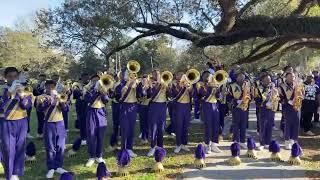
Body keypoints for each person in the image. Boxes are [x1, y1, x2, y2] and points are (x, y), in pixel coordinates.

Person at [0, 67, 33, 180]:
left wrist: (22, 95)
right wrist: (10, 93)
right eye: (10, 76)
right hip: (7, 122)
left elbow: (27, 106)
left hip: (22, 121)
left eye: (15, 76)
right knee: (8, 149)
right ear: (5, 77)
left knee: (20, 147)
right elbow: (1, 106)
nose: (13, 79)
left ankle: (15, 172)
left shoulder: (24, 89)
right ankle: (9, 175)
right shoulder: (1, 89)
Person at [37, 80, 69, 178]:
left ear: (55, 87)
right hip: (49, 123)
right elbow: (40, 109)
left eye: (52, 86)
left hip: (60, 123)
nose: (50, 88)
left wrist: (61, 101)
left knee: (60, 146)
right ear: (45, 87)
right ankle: (51, 167)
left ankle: (58, 166)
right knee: (50, 147)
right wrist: (52, 99)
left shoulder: (60, 96)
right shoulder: (41, 97)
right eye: (48, 87)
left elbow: (65, 109)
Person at [115, 69, 144, 157]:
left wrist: (140, 85)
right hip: (124, 107)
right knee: (125, 128)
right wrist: (128, 85)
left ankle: (129, 148)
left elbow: (140, 95)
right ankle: (124, 149)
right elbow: (118, 96)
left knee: (131, 128)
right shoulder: (120, 84)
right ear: (124, 75)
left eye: (132, 73)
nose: (131, 75)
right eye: (128, 73)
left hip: (133, 106)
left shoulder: (137, 83)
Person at [84, 74, 109, 167]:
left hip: (101, 112)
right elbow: (89, 100)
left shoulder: (103, 89)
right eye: (94, 80)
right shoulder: (87, 89)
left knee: (100, 135)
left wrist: (103, 93)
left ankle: (99, 155)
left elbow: (106, 100)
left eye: (98, 80)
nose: (96, 82)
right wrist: (95, 89)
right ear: (91, 81)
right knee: (91, 135)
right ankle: (91, 156)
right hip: (91, 112)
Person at [146, 70, 170, 157]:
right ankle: (152, 147)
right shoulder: (151, 83)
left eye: (158, 74)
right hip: (154, 106)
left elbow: (169, 94)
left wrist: (167, 86)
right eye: (154, 74)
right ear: (152, 75)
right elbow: (149, 95)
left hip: (163, 106)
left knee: (161, 127)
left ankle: (160, 146)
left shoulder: (165, 83)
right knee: (153, 127)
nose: (156, 75)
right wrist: (151, 86)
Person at [198, 71, 222, 153]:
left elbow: (218, 97)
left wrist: (218, 90)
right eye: (206, 76)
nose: (208, 77)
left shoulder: (215, 85)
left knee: (216, 125)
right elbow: (202, 95)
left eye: (210, 76)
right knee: (208, 126)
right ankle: (207, 145)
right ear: (203, 77)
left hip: (215, 106)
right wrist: (210, 88)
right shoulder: (201, 85)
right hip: (206, 106)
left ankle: (214, 144)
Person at [170, 71, 193, 153]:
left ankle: (184, 144)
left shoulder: (188, 83)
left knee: (185, 126)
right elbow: (175, 94)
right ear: (176, 76)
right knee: (179, 126)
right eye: (178, 75)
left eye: (182, 75)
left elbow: (191, 94)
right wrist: (183, 86)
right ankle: (178, 144)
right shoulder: (174, 84)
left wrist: (189, 87)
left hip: (187, 106)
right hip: (179, 106)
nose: (181, 76)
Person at [255, 74, 279, 150]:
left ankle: (268, 143)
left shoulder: (274, 89)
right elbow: (256, 100)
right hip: (262, 110)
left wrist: (274, 103)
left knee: (269, 126)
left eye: (269, 79)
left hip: (271, 110)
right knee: (262, 127)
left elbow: (277, 98)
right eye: (266, 79)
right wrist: (265, 103)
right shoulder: (258, 89)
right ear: (262, 81)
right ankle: (262, 143)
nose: (268, 81)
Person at [279, 72, 302, 149]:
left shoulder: (297, 85)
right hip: (287, 108)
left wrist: (301, 97)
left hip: (297, 107)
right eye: (290, 76)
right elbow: (279, 98)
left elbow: (302, 94)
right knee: (288, 124)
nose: (292, 78)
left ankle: (294, 139)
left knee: (296, 123)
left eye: (293, 76)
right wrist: (288, 101)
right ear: (286, 78)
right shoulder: (282, 87)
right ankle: (287, 141)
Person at [228, 71, 250, 149]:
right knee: (236, 124)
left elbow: (250, 95)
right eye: (240, 76)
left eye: (243, 77)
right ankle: (236, 140)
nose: (242, 78)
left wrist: (248, 98)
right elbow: (228, 97)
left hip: (244, 108)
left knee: (243, 125)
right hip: (236, 108)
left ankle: (243, 141)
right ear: (236, 78)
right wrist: (236, 101)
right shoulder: (231, 86)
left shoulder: (247, 85)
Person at [72, 73, 90, 145]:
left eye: (87, 77)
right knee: (82, 121)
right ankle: (83, 138)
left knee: (89, 121)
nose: (86, 79)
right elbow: (76, 93)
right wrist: (83, 92)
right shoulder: (77, 85)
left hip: (88, 105)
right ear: (82, 77)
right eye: (84, 77)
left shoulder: (90, 85)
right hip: (80, 105)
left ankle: (88, 135)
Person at [109, 72, 123, 150]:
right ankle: (114, 140)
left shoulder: (122, 83)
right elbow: (110, 95)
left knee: (122, 122)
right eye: (116, 77)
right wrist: (112, 92)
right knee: (116, 123)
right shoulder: (113, 84)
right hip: (115, 104)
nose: (117, 78)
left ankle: (121, 137)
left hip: (121, 104)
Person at [33, 74, 47, 138]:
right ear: (39, 78)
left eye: (43, 78)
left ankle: (45, 132)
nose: (42, 79)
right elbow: (35, 94)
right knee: (40, 119)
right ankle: (40, 133)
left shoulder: (47, 85)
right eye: (41, 78)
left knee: (46, 119)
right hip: (38, 104)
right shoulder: (37, 85)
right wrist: (35, 89)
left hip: (46, 104)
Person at [138, 74, 150, 145]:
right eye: (143, 79)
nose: (144, 81)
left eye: (146, 80)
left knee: (148, 122)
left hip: (149, 106)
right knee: (142, 123)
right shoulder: (139, 86)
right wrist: (143, 90)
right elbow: (138, 95)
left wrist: (147, 89)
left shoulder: (150, 86)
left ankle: (147, 137)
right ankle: (143, 138)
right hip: (142, 106)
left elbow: (151, 95)